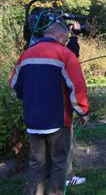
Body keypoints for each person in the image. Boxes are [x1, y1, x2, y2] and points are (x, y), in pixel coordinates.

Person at [9, 21, 89, 195]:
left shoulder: (26, 55)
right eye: (66, 39)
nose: (65, 42)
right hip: (57, 121)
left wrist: (28, 97)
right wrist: (83, 111)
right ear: (60, 36)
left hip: (33, 120)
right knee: (59, 162)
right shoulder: (65, 54)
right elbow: (77, 86)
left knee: (37, 163)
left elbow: (14, 85)